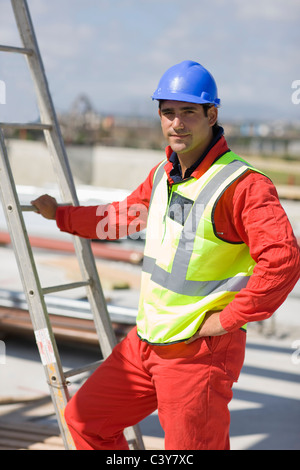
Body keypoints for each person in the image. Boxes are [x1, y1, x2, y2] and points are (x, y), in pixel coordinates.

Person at [31, 60, 300, 450]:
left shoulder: (242, 186)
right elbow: (119, 218)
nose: (177, 123)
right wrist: (61, 214)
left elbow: (284, 260)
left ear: (212, 114)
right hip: (147, 341)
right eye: (168, 112)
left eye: (189, 112)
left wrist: (229, 318)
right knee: (85, 422)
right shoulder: (163, 174)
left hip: (198, 352)